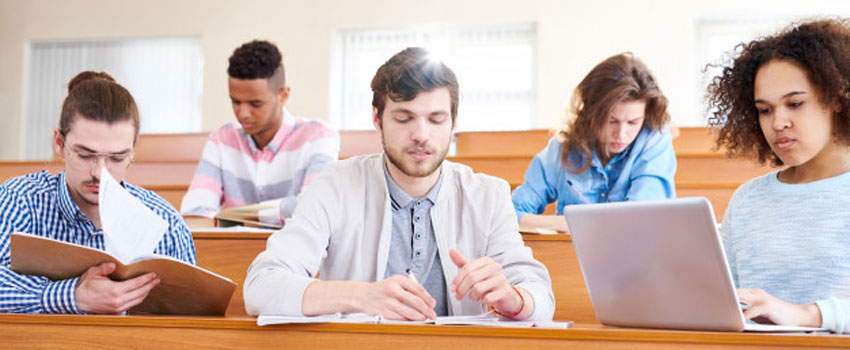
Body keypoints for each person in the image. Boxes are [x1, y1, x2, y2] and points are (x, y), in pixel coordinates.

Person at [243, 47, 554, 321]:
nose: (421, 134)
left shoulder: (488, 195)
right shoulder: (335, 184)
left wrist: (515, 300)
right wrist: (361, 296)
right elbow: (261, 285)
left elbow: (540, 297)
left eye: (436, 119)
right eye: (404, 118)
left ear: (454, 123)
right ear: (377, 119)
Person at [0, 71, 197, 314]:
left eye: (117, 157)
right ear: (59, 144)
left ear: (133, 152)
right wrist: (71, 296)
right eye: (85, 155)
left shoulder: (166, 223)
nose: (100, 173)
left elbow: (193, 318)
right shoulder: (17, 201)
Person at [706, 18, 850, 333]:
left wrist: (806, 314)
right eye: (765, 109)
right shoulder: (748, 199)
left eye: (795, 104)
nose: (778, 122)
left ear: (837, 100)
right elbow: (722, 301)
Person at [511, 53, 676, 233]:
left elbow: (641, 220)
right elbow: (510, 215)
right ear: (591, 114)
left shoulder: (654, 141)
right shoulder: (561, 149)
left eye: (633, 122)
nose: (621, 134)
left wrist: (577, 224)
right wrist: (564, 223)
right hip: (571, 259)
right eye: (611, 121)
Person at [181, 40, 339, 221]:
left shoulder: (318, 136)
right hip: (235, 249)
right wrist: (280, 211)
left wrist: (235, 218)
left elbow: (313, 209)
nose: (243, 114)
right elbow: (194, 212)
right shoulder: (221, 139)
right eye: (236, 102)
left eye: (255, 104)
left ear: (283, 95)